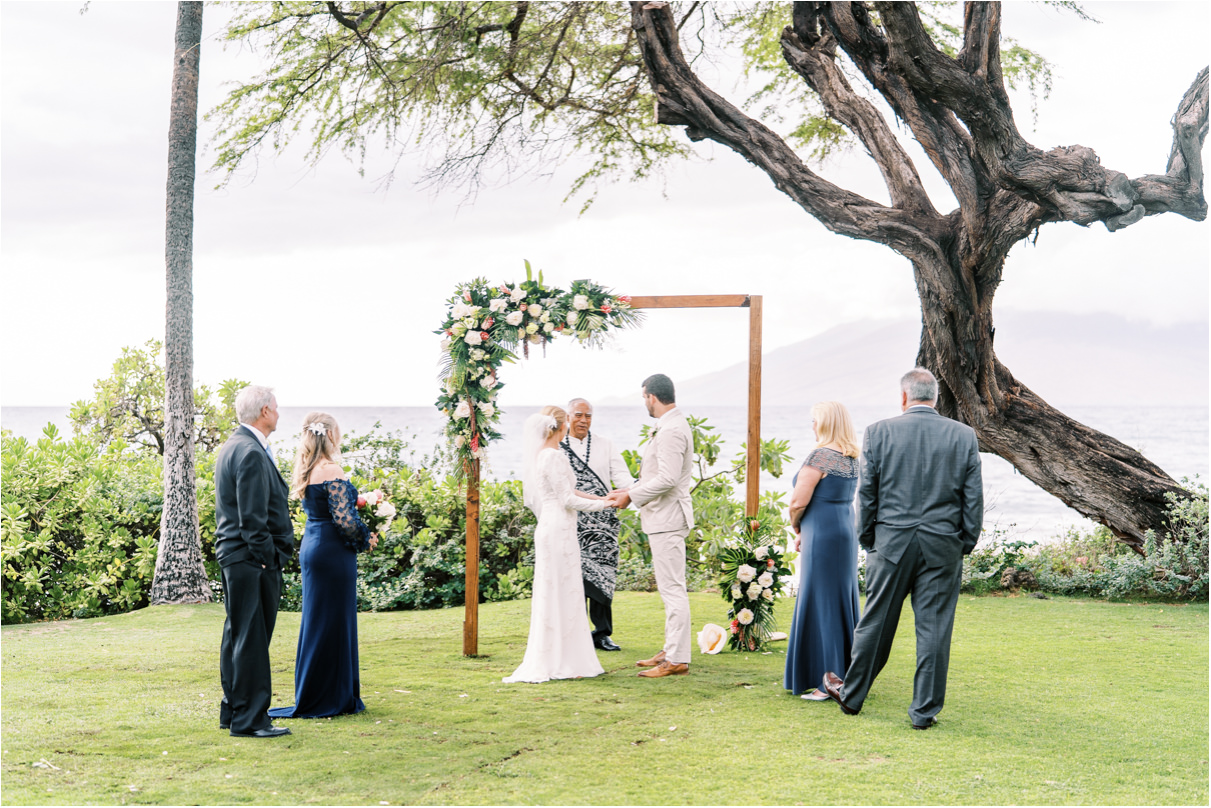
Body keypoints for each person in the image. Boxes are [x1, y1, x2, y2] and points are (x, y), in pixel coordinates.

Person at [823, 368, 984, 730]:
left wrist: (868, 539)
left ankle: (851, 695)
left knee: (875, 623)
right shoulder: (963, 436)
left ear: (903, 397)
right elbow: (973, 497)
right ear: (936, 398)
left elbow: (866, 495)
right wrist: (966, 541)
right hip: (943, 545)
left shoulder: (879, 432)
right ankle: (923, 713)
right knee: (935, 630)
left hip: (891, 544)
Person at [270, 413, 379, 720]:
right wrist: (366, 539)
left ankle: (320, 691)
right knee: (333, 621)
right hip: (332, 551)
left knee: (319, 621)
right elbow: (344, 520)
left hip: (313, 546)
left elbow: (332, 509)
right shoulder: (331, 468)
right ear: (330, 435)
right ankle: (330, 696)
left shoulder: (308, 468)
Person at [505, 405, 613, 683]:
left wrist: (603, 498)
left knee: (563, 589)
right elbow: (566, 499)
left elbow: (571, 490)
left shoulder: (548, 455)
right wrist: (603, 506)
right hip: (558, 528)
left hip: (558, 526)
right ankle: (560, 659)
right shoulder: (553, 457)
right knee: (561, 588)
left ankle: (564, 653)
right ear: (561, 427)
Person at [214, 385, 294, 738]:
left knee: (238, 636)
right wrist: (269, 559)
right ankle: (251, 720)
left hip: (239, 558)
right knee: (252, 641)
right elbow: (252, 520)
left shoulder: (233, 446)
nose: (278, 413)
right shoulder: (249, 452)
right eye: (275, 407)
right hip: (251, 560)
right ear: (264, 411)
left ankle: (234, 711)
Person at [608, 374, 694, 679]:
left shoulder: (671, 430)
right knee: (670, 588)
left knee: (673, 590)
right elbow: (657, 475)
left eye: (644, 397)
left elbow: (669, 478)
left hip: (668, 518)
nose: (644, 402)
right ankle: (671, 649)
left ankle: (678, 658)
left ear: (651, 397)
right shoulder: (671, 425)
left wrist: (631, 495)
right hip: (664, 516)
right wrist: (629, 491)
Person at [783, 401, 861, 702]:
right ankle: (848, 673)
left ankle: (828, 679)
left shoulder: (820, 456)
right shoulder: (851, 456)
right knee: (840, 599)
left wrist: (798, 527)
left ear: (825, 423)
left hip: (823, 534)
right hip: (843, 529)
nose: (812, 425)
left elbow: (798, 502)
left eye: (814, 420)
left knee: (822, 601)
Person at [561, 397, 635, 652]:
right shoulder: (557, 447)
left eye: (588, 416)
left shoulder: (605, 444)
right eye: (579, 415)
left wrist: (634, 492)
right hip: (571, 519)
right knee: (574, 576)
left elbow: (623, 477)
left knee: (603, 574)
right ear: (568, 416)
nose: (584, 420)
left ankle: (602, 634)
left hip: (603, 521)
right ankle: (576, 633)